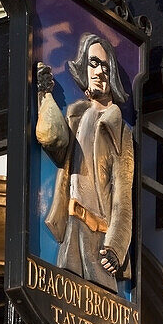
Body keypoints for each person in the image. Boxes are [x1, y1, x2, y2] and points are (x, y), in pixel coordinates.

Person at [35, 33, 134, 294]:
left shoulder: (120, 130)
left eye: (105, 65)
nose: (100, 71)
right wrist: (44, 95)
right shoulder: (76, 117)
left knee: (103, 312)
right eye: (93, 63)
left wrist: (115, 248)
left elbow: (123, 195)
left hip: (100, 236)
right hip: (72, 225)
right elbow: (54, 143)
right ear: (83, 68)